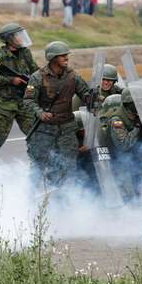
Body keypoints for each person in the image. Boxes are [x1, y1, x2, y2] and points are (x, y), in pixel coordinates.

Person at [23, 41, 93, 189]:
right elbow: (28, 101)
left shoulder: (73, 76)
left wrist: (93, 99)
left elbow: (85, 94)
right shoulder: (37, 77)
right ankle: (33, 196)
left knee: (68, 165)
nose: (66, 58)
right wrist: (40, 113)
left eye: (66, 55)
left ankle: (66, 197)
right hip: (45, 130)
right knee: (39, 165)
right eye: (63, 55)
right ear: (53, 57)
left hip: (67, 128)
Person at [0, 23, 39, 166]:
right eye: (17, 35)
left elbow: (35, 70)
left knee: (35, 133)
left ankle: (37, 162)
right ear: (9, 38)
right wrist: (11, 80)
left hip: (23, 100)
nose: (21, 38)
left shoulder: (25, 52)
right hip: (5, 102)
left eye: (21, 35)